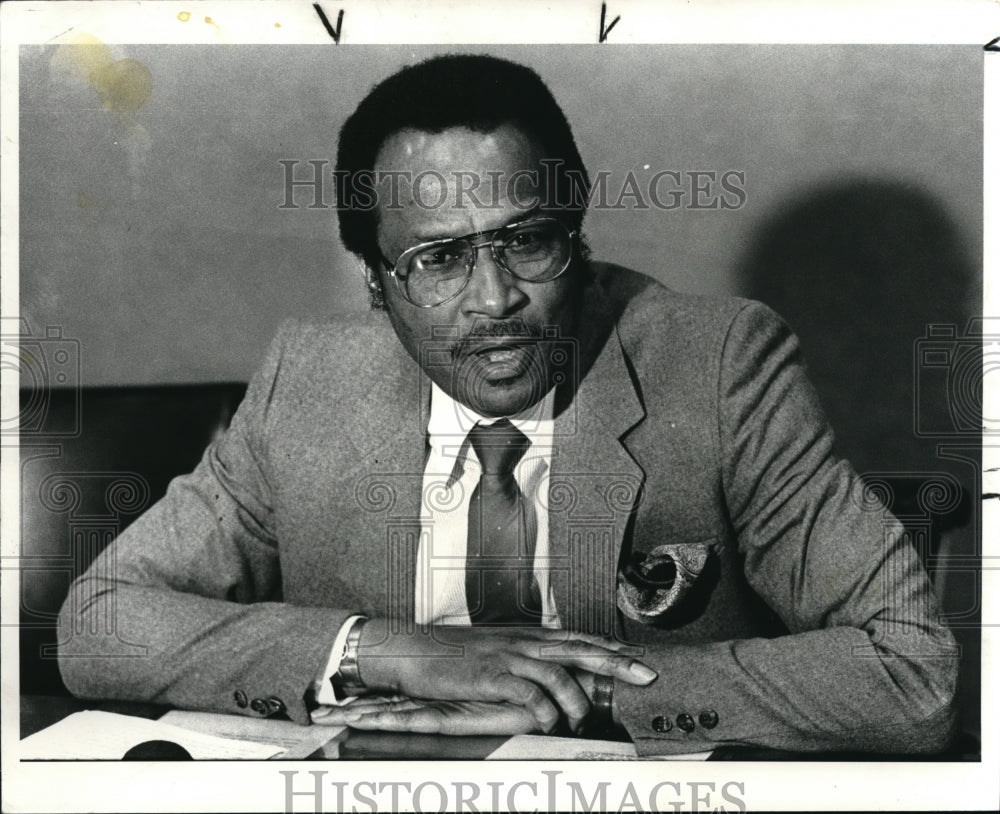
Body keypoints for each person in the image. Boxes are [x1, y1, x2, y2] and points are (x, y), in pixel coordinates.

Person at [57, 54, 959, 756]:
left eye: (527, 241)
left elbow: (913, 669)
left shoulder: (719, 365)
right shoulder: (309, 381)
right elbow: (100, 620)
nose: (494, 300)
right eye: (438, 260)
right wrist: (384, 650)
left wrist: (577, 687)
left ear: (579, 232)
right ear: (376, 284)